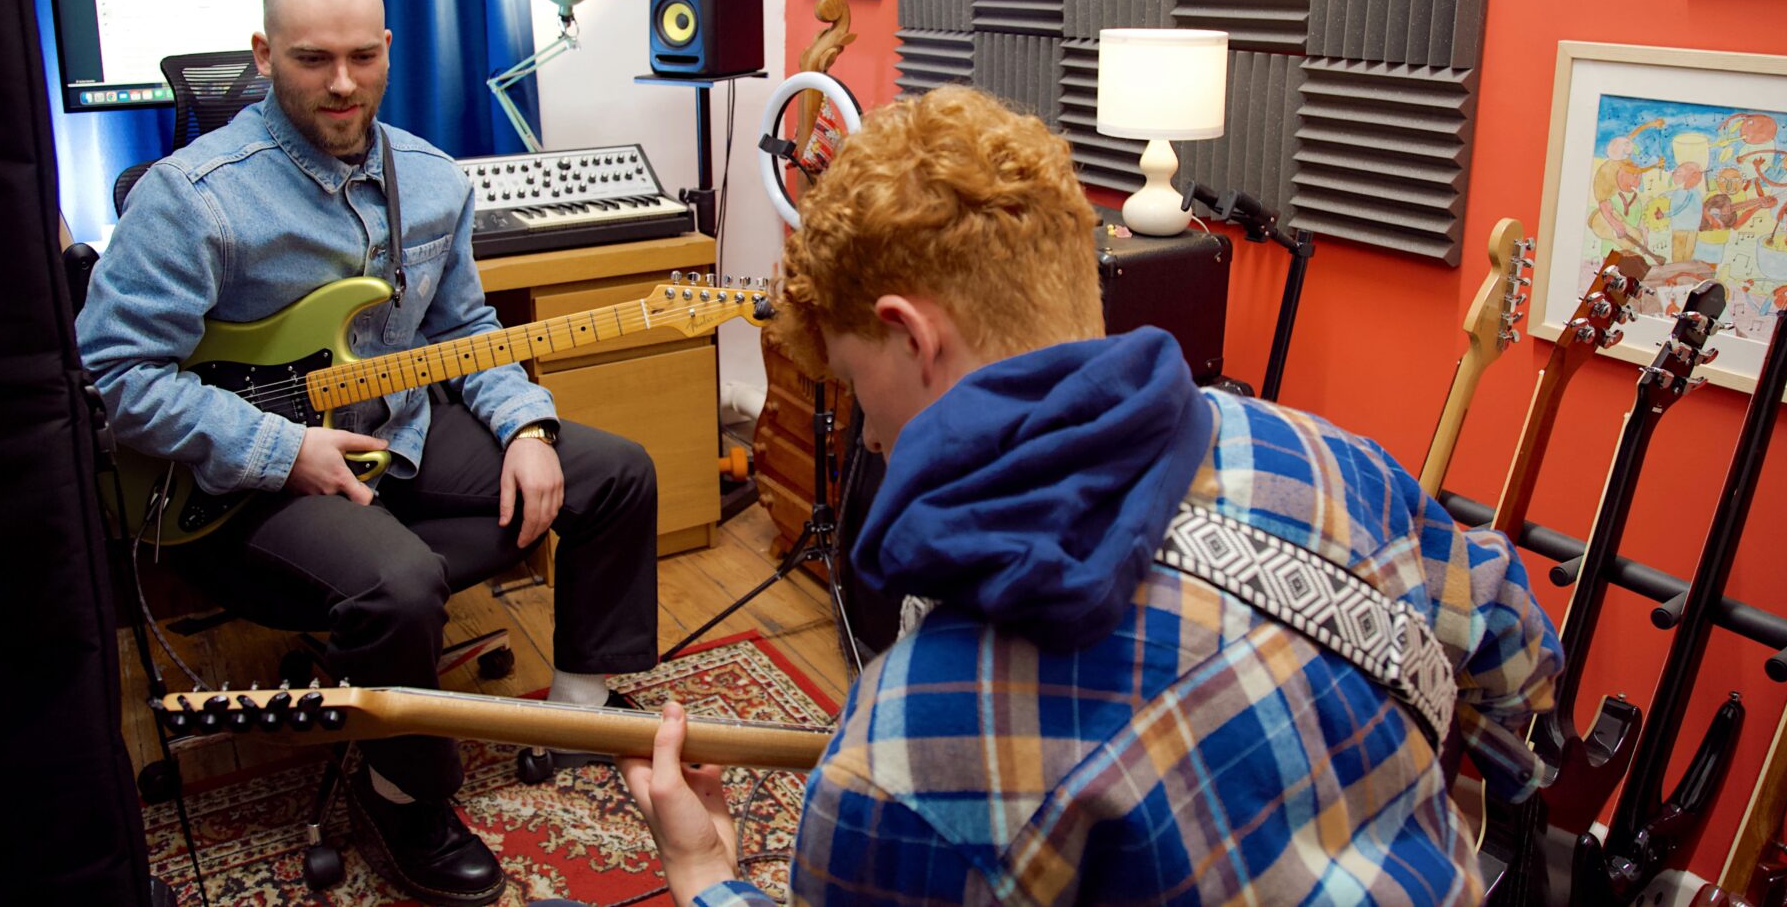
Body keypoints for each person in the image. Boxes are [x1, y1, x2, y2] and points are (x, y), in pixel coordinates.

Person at [621, 86, 1563, 905]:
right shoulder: (1331, 460)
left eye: (859, 384)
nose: (866, 434)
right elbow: (1519, 658)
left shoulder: (909, 752)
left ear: (913, 337)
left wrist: (706, 873)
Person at [78, 0, 658, 907]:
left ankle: (582, 709)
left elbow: (463, 328)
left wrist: (526, 427)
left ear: (389, 47)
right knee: (398, 583)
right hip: (237, 477)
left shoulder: (430, 178)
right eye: (312, 59)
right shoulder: (193, 197)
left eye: (361, 56)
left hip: (396, 433)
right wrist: (282, 450)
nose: (342, 83)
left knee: (616, 470)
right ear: (263, 54)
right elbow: (116, 376)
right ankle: (402, 800)